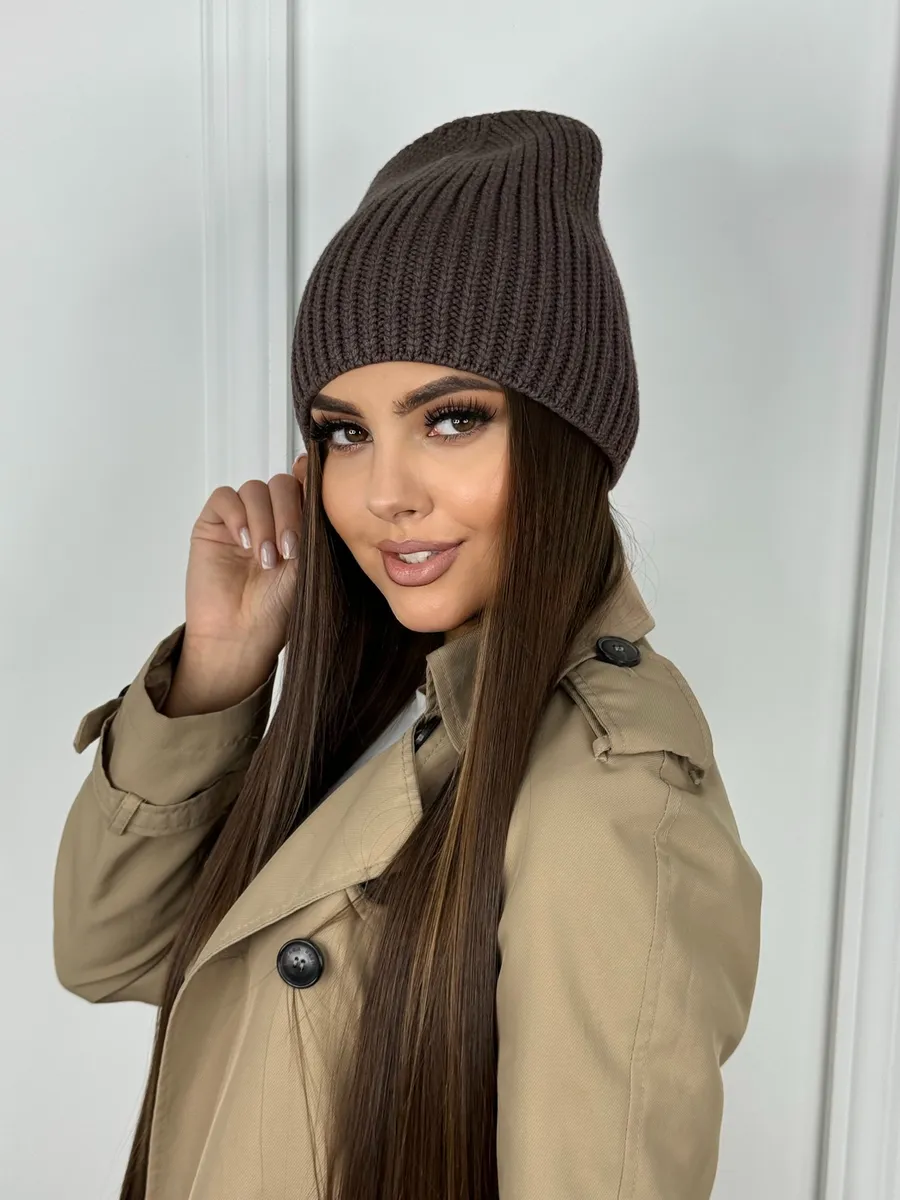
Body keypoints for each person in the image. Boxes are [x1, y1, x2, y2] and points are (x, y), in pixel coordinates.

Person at [53, 110, 762, 1200]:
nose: (384, 493)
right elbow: (108, 951)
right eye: (346, 432)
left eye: (452, 420)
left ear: (569, 440)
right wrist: (220, 671)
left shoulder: (611, 795)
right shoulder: (393, 705)